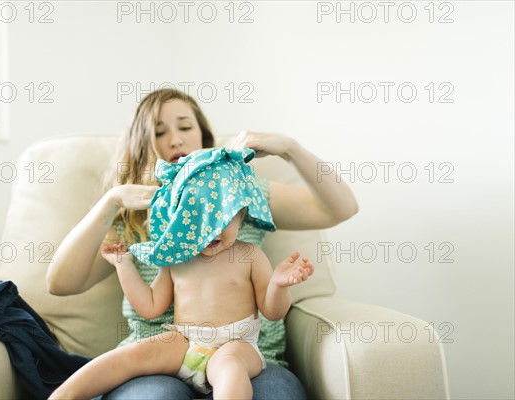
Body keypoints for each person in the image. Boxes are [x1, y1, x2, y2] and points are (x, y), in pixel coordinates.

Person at [46, 88, 359, 399]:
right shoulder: (145, 227)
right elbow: (61, 284)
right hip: (173, 349)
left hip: (241, 352)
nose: (176, 139)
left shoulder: (238, 190)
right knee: (147, 385)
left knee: (260, 387)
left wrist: (290, 148)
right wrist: (110, 203)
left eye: (185, 127)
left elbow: (342, 208)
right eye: (159, 131)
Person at [48, 147, 315, 399]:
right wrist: (124, 266)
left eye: (222, 219)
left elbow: (272, 311)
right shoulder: (178, 258)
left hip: (236, 343)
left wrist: (279, 286)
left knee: (230, 367)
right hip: (185, 342)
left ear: (242, 214)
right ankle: (64, 394)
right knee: (136, 354)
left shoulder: (249, 256)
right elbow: (150, 307)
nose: (211, 230)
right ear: (180, 219)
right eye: (199, 219)